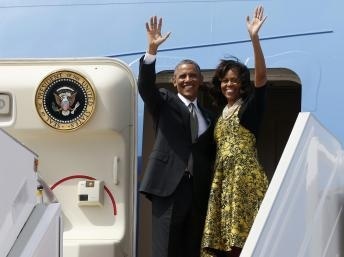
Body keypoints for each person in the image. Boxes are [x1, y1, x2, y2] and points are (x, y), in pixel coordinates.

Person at [138, 16, 216, 257]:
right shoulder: (163, 101)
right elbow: (145, 87)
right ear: (174, 81)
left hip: (198, 191)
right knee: (166, 250)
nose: (187, 80)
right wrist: (151, 51)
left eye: (192, 75)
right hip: (168, 187)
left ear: (200, 80)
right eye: (182, 76)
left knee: (192, 248)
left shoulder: (210, 115)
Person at [201, 6, 269, 257]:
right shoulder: (219, 115)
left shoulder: (249, 109)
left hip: (244, 180)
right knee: (221, 245)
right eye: (225, 80)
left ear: (242, 86)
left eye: (234, 80)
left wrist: (255, 39)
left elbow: (261, 79)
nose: (229, 84)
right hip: (222, 180)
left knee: (241, 242)